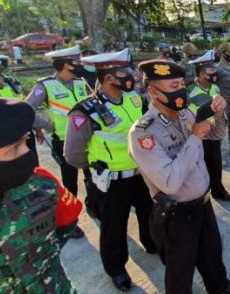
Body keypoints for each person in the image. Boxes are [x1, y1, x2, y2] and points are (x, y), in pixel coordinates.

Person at [128, 60, 230, 294]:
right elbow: (169, 182)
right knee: (180, 269)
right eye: (173, 86)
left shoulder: (186, 114)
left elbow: (217, 134)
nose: (181, 91)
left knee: (212, 251)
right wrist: (194, 138)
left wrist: (220, 113)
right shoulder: (143, 133)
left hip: (203, 202)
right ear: (153, 91)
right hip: (178, 214)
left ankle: (219, 287)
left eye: (182, 84)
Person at [0, 96, 82, 293]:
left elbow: (64, 227)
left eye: (24, 142)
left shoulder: (41, 187)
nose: (28, 154)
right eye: (14, 149)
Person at [63, 49, 156, 291]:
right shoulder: (85, 111)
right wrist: (99, 167)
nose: (131, 76)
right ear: (108, 78)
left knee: (150, 214)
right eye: (123, 72)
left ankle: (151, 242)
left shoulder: (135, 98)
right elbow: (73, 155)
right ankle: (116, 268)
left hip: (141, 174)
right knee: (114, 227)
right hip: (111, 181)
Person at [25, 45, 89, 239]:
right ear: (65, 64)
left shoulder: (81, 82)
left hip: (88, 139)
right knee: (70, 184)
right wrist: (46, 126)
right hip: (64, 140)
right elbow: (26, 110)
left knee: (93, 177)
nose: (79, 65)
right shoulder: (45, 86)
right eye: (75, 62)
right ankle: (71, 220)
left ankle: (95, 207)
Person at [188, 50, 230, 201]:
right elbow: (192, 118)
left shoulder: (215, 88)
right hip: (200, 136)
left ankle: (218, 190)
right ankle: (203, 193)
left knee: (216, 164)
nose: (215, 73)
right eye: (211, 70)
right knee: (201, 167)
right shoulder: (191, 92)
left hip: (214, 135)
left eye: (215, 69)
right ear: (201, 74)